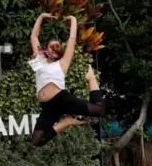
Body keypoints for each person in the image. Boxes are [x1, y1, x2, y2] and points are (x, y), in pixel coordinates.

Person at [29, 12, 106, 147]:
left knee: (99, 109)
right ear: (46, 49)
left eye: (57, 47)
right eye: (51, 47)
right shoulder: (39, 60)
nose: (53, 49)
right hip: (48, 107)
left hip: (61, 99)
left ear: (60, 52)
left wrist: (73, 20)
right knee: (37, 141)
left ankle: (91, 78)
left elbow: (72, 39)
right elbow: (34, 36)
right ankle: (66, 122)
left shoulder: (62, 63)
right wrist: (41, 17)